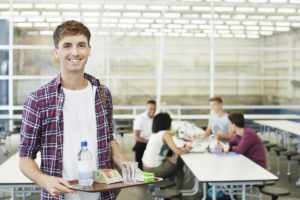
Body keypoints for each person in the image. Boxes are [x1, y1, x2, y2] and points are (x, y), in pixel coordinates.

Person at [19, 20, 129, 200]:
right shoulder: (38, 100)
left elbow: (109, 140)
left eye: (81, 45)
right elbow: (25, 158)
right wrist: (43, 180)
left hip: (103, 195)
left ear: (89, 50)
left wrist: (127, 166)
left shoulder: (102, 94)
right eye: (67, 46)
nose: (75, 52)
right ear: (57, 52)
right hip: (59, 197)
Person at [142, 113, 192, 189]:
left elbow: (156, 153)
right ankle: (176, 192)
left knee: (177, 170)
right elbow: (178, 152)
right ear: (167, 123)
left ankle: (173, 191)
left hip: (145, 169)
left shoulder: (154, 134)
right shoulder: (165, 134)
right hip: (154, 170)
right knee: (180, 162)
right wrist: (188, 148)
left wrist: (168, 158)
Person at [132, 100, 156, 169]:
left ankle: (158, 169)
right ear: (146, 108)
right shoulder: (140, 118)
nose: (153, 111)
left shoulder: (156, 118)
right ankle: (139, 169)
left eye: (154, 109)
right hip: (143, 141)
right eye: (150, 109)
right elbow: (137, 137)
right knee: (139, 146)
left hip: (154, 141)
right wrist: (148, 141)